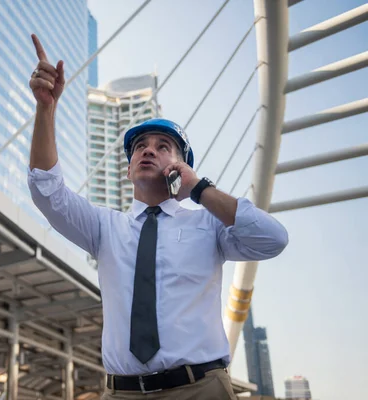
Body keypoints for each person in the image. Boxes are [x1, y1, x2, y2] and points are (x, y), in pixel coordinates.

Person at [27, 34, 289, 399]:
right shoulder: (105, 227)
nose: (148, 151)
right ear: (129, 168)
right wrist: (46, 110)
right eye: (139, 147)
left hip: (202, 389)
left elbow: (273, 239)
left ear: (181, 165)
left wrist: (198, 190)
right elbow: (46, 190)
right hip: (121, 392)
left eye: (162, 147)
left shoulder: (208, 225)